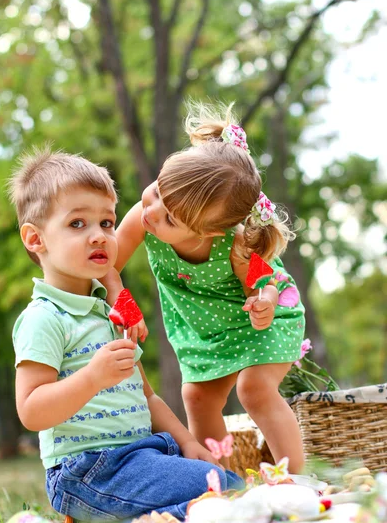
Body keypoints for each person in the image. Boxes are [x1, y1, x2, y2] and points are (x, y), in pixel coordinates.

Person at [8, 148, 243, 523]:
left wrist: (186, 442)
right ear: (36, 239)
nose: (99, 236)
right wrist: (91, 378)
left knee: (221, 486)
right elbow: (32, 410)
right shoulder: (44, 317)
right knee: (222, 487)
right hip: (89, 470)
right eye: (77, 224)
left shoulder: (109, 311)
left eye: (106, 222)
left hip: (140, 456)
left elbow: (146, 395)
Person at [104, 102, 306, 474]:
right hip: (206, 331)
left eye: (168, 217)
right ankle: (222, 481)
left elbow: (266, 285)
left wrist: (264, 304)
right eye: (157, 191)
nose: (151, 210)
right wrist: (122, 299)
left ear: (209, 232)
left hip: (260, 324)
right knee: (197, 396)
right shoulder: (142, 216)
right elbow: (106, 267)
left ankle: (297, 478)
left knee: (254, 390)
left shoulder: (236, 243)